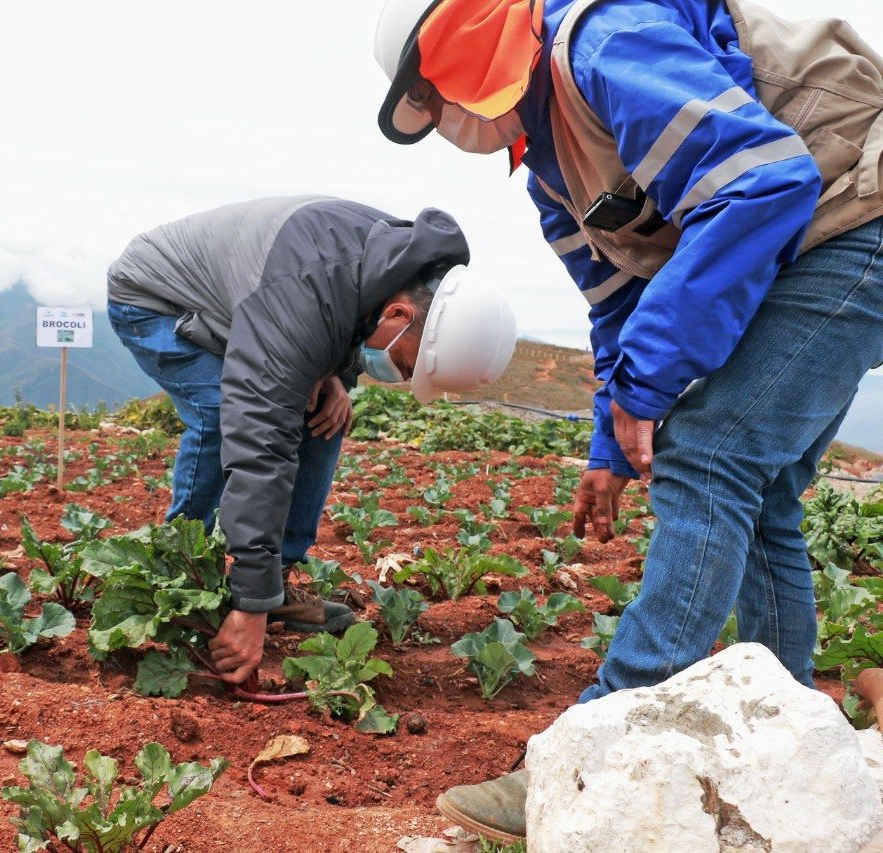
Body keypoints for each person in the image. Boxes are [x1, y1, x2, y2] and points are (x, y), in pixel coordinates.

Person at [373, 0, 883, 842]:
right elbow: (620, 302)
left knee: (712, 449)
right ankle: (786, 737)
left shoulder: (606, 44)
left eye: (432, 97)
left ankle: (596, 750)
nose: (440, 123)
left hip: (853, 216)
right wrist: (607, 445)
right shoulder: (547, 168)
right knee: (761, 493)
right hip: (812, 236)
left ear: (464, 50)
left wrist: (648, 389)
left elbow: (764, 178)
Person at [107, 195, 517, 684]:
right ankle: (177, 572)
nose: (400, 378)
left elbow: (338, 319)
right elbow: (259, 441)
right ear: (398, 315)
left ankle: (276, 580)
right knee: (220, 414)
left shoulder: (390, 272)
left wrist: (338, 374)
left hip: (256, 308)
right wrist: (249, 607)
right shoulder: (308, 290)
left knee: (325, 412)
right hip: (156, 299)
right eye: (407, 366)